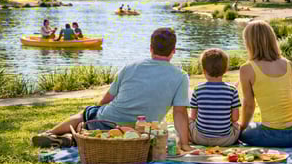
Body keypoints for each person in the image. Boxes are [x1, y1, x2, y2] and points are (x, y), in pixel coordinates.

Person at [32, 28, 193, 151]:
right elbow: (179, 113)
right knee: (104, 129)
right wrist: (185, 144)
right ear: (173, 51)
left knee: (87, 113)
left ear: (151, 48)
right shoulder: (181, 76)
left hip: (108, 122)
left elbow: (107, 99)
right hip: (143, 132)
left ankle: (51, 133)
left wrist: (98, 111)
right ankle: (70, 139)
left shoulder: (130, 67)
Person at [238, 20, 292, 147]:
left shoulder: (247, 69)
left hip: (273, 134)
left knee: (244, 133)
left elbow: (249, 105)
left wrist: (242, 128)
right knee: (257, 126)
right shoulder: (287, 64)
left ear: (249, 43)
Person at [189, 48, 241, 147]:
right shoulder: (232, 90)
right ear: (226, 70)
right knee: (237, 125)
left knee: (188, 121)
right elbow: (235, 118)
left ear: (204, 70)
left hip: (200, 139)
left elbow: (193, 116)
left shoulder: (198, 90)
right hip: (226, 140)